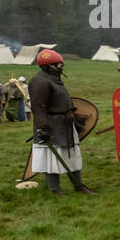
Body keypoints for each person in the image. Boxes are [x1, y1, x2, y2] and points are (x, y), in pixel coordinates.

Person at [27, 49, 94, 196]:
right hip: (51, 125)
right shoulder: (39, 81)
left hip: (65, 124)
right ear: (49, 65)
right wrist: (43, 128)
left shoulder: (54, 79)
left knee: (73, 156)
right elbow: (38, 107)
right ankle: (55, 190)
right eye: (58, 64)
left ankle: (78, 185)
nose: (61, 66)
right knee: (51, 159)